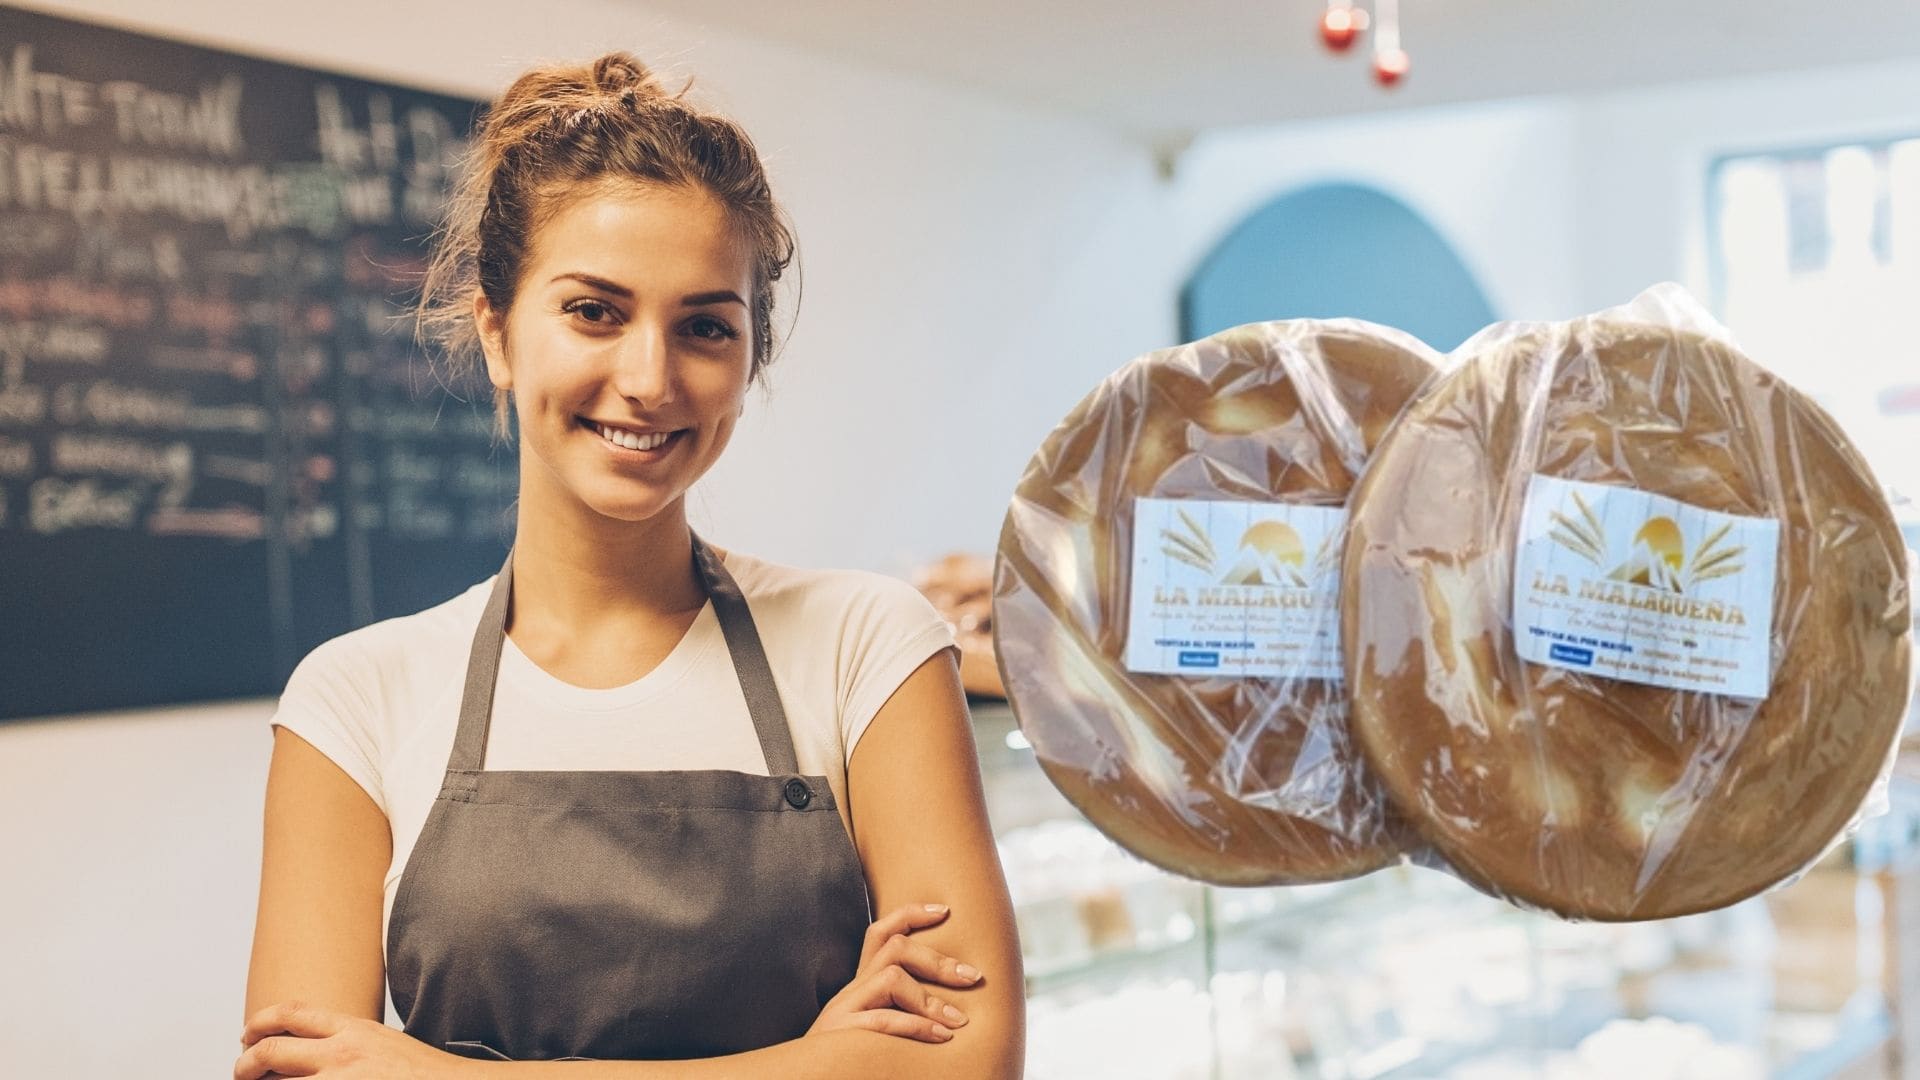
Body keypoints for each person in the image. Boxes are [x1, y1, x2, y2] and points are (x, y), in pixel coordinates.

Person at [237, 52, 1024, 1079]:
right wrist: (818, 1061)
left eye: (704, 327)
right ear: (496, 333)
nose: (649, 379)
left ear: (751, 360)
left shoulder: (867, 646)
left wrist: (447, 1074)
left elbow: (970, 1062)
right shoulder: (356, 699)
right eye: (594, 312)